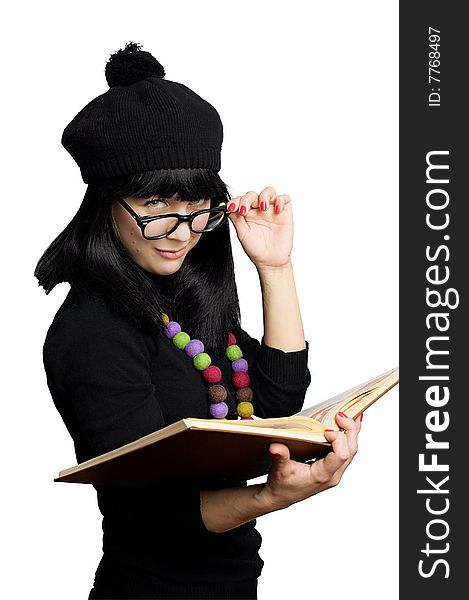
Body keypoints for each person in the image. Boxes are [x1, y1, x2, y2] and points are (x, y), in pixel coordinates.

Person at [35, 41, 361, 600]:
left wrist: (275, 268)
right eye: (156, 208)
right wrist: (273, 497)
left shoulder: (187, 299)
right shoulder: (91, 332)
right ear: (107, 204)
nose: (182, 233)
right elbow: (150, 516)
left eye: (195, 208)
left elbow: (273, 407)